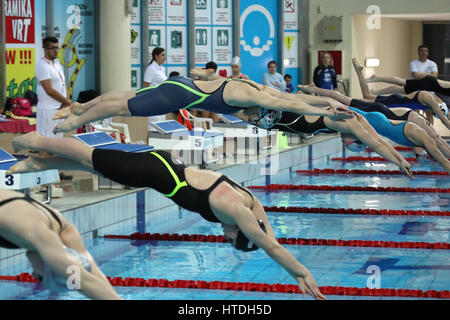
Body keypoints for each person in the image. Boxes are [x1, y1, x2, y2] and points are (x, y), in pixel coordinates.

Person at [8, 133, 327, 300]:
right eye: (232, 238)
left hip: (154, 170)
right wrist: (301, 273)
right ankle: (35, 141)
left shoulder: (251, 205)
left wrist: (293, 269)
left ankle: (40, 164)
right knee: (87, 157)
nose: (225, 236)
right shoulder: (234, 209)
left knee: (93, 165)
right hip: (152, 168)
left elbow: (267, 234)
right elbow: (271, 247)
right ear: (242, 229)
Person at [51, 73, 354, 134]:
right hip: (178, 95)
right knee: (118, 107)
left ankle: (78, 106)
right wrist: (324, 108)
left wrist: (328, 100)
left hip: (180, 84)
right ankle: (71, 122)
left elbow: (293, 98)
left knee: (123, 96)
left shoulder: (255, 86)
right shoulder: (255, 97)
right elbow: (294, 104)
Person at [296, 83, 450, 173]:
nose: (342, 139)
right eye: (346, 142)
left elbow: (382, 146)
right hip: (390, 115)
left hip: (389, 114)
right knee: (438, 146)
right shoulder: (360, 126)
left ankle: (311, 91)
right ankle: (310, 92)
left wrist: (401, 161)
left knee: (438, 147)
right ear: (356, 141)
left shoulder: (362, 128)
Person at [0, 190, 121, 300]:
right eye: (40, 278)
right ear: (52, 267)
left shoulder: (64, 229)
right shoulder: (39, 234)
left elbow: (91, 274)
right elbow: (85, 281)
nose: (33, 274)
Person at [350, 58, 449, 128]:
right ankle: (361, 73)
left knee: (368, 96)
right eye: (434, 112)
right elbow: (444, 120)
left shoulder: (430, 101)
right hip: (394, 102)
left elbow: (444, 114)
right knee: (366, 96)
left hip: (397, 100)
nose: (432, 112)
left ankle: (362, 74)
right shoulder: (429, 100)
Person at [35, 36, 72, 181]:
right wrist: (66, 101)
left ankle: (55, 173)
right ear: (45, 49)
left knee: (57, 143)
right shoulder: (42, 65)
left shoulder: (57, 64)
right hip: (47, 109)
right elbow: (49, 90)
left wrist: (66, 101)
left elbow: (63, 85)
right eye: (52, 48)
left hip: (59, 107)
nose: (56, 51)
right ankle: (40, 175)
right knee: (45, 144)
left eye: (57, 48)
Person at [143, 47, 168, 131]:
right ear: (156, 56)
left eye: (165, 55)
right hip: (153, 102)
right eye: (162, 55)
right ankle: (149, 144)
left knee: (161, 128)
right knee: (153, 128)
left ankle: (158, 144)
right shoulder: (151, 69)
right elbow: (145, 86)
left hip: (162, 102)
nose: (165, 57)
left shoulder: (161, 69)